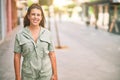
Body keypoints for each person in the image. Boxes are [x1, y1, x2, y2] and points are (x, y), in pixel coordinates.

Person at [14, 3, 58, 80]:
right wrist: (17, 77)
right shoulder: (20, 35)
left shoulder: (48, 34)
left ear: (41, 17)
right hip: (28, 75)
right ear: (28, 16)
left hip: (46, 74)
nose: (35, 17)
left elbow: (52, 54)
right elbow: (17, 56)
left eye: (38, 15)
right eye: (33, 14)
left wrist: (55, 74)